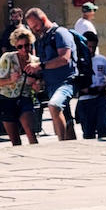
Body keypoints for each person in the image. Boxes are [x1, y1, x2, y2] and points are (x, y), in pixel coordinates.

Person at [24, 7, 77, 141]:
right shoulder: (43, 38)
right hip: (51, 84)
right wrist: (39, 79)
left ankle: (61, 144)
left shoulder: (60, 33)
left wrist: (40, 66)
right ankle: (72, 147)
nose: (34, 30)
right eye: (31, 28)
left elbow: (64, 58)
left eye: (36, 26)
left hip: (66, 82)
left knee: (54, 106)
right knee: (66, 118)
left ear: (43, 19)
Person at [0, 27, 42, 146]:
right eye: (20, 46)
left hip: (25, 98)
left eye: (27, 45)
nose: (24, 49)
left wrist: (36, 85)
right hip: (7, 99)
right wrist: (11, 80)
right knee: (15, 140)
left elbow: (39, 86)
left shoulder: (35, 62)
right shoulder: (8, 58)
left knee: (30, 132)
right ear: (15, 46)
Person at [75, 31, 106, 139]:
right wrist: (83, 89)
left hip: (100, 97)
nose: (91, 50)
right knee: (88, 131)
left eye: (93, 47)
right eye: (89, 47)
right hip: (85, 99)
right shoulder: (77, 62)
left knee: (103, 126)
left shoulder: (101, 60)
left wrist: (102, 86)